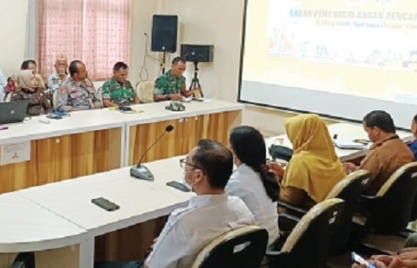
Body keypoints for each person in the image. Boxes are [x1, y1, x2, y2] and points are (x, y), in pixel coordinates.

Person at [97, 140, 254, 268]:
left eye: (186, 164)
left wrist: (160, 247)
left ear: (197, 176)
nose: (184, 168)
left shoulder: (185, 221)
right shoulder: (241, 207)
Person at [268, 114, 346, 209]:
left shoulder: (300, 161)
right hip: (329, 214)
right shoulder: (328, 153)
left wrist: (275, 182)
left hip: (306, 215)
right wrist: (284, 174)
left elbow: (290, 200)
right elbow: (311, 183)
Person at [225, 126, 280, 246]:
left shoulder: (237, 182)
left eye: (228, 146)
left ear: (235, 152)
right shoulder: (262, 172)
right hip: (272, 239)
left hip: (254, 250)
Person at [343, 111, 414, 195]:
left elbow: (361, 181)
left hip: (372, 202)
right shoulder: (404, 148)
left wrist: (350, 172)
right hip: (398, 200)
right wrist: (355, 168)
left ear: (376, 130)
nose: (368, 136)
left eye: (367, 131)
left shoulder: (379, 154)